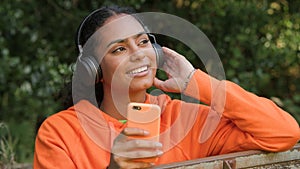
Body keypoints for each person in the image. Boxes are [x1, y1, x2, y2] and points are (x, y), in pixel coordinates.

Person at [34, 5, 300, 169]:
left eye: (143, 42)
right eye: (119, 48)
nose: (138, 54)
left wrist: (196, 82)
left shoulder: (184, 120)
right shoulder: (59, 133)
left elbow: (283, 132)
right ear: (95, 70)